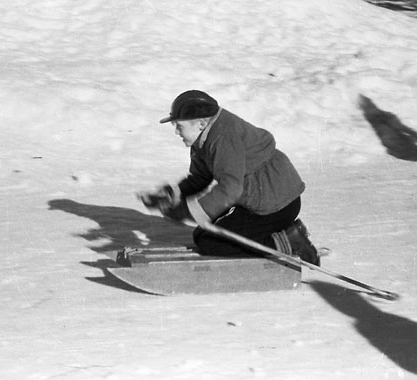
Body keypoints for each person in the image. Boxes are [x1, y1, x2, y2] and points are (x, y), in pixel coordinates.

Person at [137, 90, 320, 265]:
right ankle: (279, 233)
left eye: (179, 125)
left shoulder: (223, 138)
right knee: (202, 235)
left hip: (276, 204)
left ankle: (290, 240)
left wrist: (186, 211)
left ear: (200, 123)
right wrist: (171, 195)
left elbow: (230, 188)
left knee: (213, 243)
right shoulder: (204, 137)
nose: (177, 131)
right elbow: (201, 177)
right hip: (259, 199)